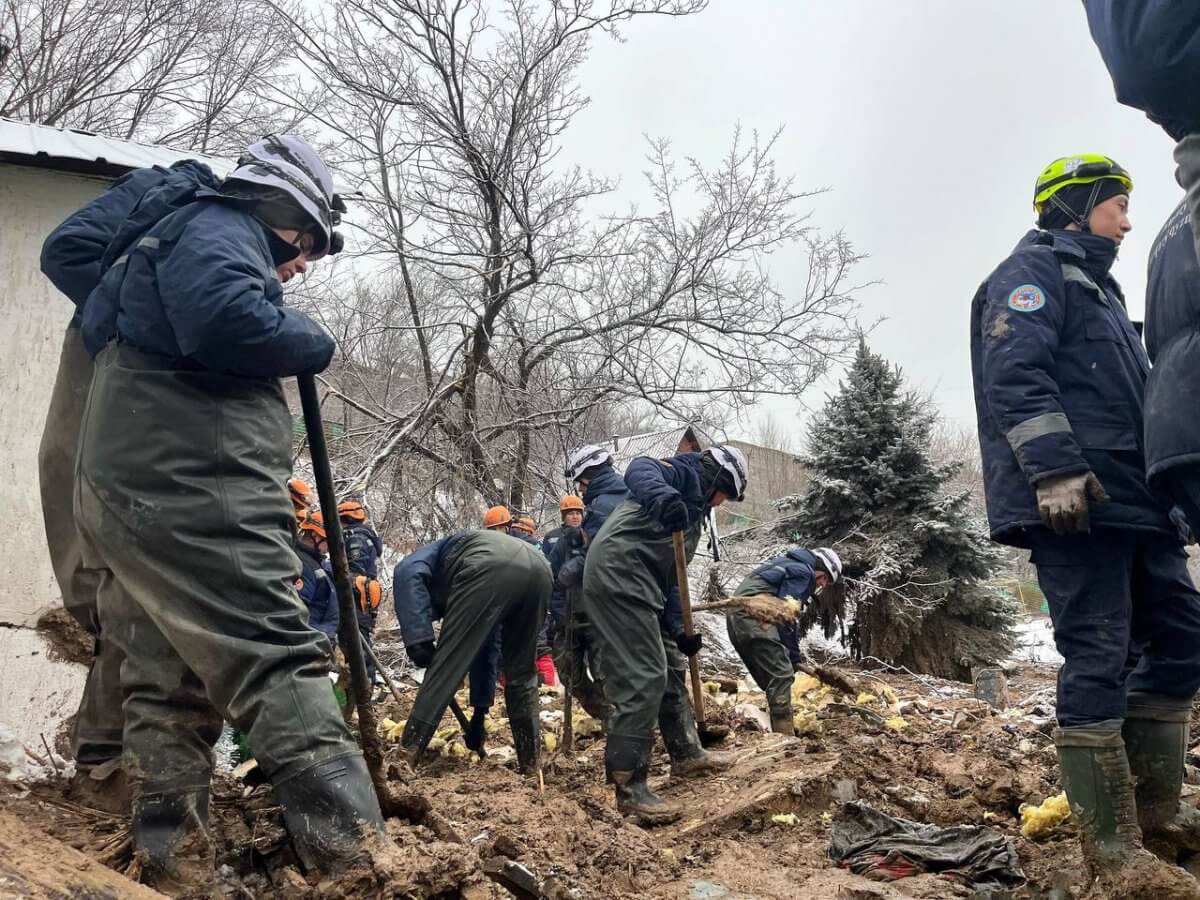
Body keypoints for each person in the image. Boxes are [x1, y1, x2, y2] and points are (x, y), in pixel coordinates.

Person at [71, 134, 384, 891]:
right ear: (283, 211)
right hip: (193, 477)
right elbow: (226, 322)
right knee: (272, 649)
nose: (304, 261)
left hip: (137, 477)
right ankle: (367, 866)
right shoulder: (220, 225)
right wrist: (311, 339)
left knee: (165, 672)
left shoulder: (168, 236)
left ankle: (174, 862)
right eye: (306, 242)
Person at [969, 154, 1200, 891]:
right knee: (1098, 655)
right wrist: (1055, 469)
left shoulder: (1102, 291)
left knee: (1180, 640)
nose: (1128, 222)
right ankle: (1110, 854)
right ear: (1077, 206)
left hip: (1137, 507)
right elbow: (1015, 374)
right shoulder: (1035, 275)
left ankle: (1155, 813)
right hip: (1079, 505)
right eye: (1117, 206)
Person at [39, 158, 221, 812]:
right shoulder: (176, 195)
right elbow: (66, 252)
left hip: (141, 415)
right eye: (305, 245)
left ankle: (105, 757)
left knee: (130, 588)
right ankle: (103, 765)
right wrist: (135, 317)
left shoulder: (212, 248)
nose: (303, 264)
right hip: (110, 392)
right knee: (110, 579)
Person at [582, 445, 748, 825]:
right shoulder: (685, 473)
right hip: (618, 575)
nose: (723, 503)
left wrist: (678, 627)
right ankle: (631, 789)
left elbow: (671, 574)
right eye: (725, 494)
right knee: (644, 677)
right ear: (717, 480)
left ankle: (687, 754)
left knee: (672, 665)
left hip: (646, 584)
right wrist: (666, 499)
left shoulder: (695, 511)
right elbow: (639, 469)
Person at [392, 528, 551, 773]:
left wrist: (418, 638)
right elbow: (484, 651)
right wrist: (479, 713)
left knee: (445, 667)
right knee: (522, 673)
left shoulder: (430, 557)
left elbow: (405, 573)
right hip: (540, 568)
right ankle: (531, 764)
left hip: (488, 564)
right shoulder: (463, 562)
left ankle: (405, 757)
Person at [726, 548, 842, 735]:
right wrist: (794, 657)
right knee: (781, 674)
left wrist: (791, 655)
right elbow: (786, 615)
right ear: (820, 567)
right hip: (753, 615)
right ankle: (785, 737)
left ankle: (778, 727)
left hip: (735, 615)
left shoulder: (787, 564)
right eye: (825, 579)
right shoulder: (804, 572)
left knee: (771, 678)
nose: (822, 584)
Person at [338, 499, 384, 681]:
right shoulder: (365, 535)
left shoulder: (355, 538)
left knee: (357, 643)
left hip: (357, 596)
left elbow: (355, 570)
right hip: (364, 595)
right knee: (359, 642)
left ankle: (366, 685)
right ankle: (365, 683)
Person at [295, 510, 339, 649]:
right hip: (308, 644)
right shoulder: (303, 565)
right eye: (327, 541)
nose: (328, 548)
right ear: (315, 535)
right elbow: (297, 612)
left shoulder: (315, 563)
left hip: (318, 640)